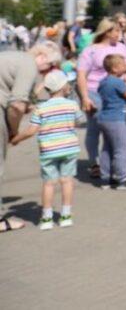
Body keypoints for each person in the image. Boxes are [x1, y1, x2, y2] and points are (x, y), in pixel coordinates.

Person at [1, 42, 63, 233]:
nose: (47, 73)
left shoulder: (11, 56)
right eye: (51, 67)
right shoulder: (29, 63)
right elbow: (16, 105)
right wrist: (14, 130)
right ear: (42, 57)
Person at [10, 70, 81, 229]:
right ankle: (66, 215)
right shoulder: (72, 105)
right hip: (69, 148)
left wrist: (16, 139)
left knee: (49, 184)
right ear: (64, 87)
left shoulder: (41, 108)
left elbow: (31, 131)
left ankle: (47, 219)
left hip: (49, 150)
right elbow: (78, 121)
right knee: (67, 181)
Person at [75, 18, 126, 179]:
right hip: (95, 91)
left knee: (118, 126)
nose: (119, 34)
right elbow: (81, 75)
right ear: (107, 32)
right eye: (116, 31)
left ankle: (115, 163)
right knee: (95, 128)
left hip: (117, 92)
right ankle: (95, 162)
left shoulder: (121, 47)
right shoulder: (91, 50)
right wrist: (85, 97)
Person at [95, 54, 126, 190]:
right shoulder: (116, 82)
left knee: (107, 149)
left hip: (104, 117)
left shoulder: (104, 82)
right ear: (115, 69)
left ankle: (105, 178)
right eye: (123, 65)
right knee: (121, 149)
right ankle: (122, 179)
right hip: (116, 118)